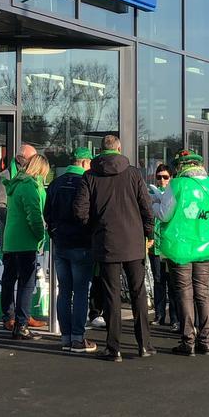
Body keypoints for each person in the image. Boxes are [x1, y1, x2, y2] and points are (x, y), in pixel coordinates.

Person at [73, 135, 155, 361]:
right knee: (138, 293)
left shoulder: (90, 175)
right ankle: (144, 345)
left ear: (100, 150)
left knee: (111, 295)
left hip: (106, 241)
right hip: (133, 241)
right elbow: (146, 207)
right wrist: (148, 233)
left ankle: (113, 347)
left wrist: (95, 229)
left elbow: (80, 210)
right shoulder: (133, 173)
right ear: (119, 149)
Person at [153, 150, 209, 356]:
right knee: (202, 292)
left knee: (184, 293)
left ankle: (188, 341)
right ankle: (205, 340)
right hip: (207, 246)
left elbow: (164, 215)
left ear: (181, 167)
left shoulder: (178, 185)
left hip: (180, 247)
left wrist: (153, 203)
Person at [44, 147, 97, 354]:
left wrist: (55, 233)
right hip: (81, 243)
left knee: (64, 290)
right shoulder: (85, 183)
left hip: (61, 243)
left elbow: (47, 213)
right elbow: (88, 212)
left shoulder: (56, 183)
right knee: (81, 291)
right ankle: (77, 337)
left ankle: (65, 336)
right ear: (84, 163)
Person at [0, 144, 46, 331]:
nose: (35, 162)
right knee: (10, 278)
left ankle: (24, 315)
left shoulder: (33, 179)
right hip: (14, 236)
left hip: (23, 236)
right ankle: (10, 316)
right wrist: (16, 218)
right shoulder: (4, 177)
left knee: (26, 280)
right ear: (22, 159)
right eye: (33, 159)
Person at [1, 153, 50, 340]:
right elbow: (34, 216)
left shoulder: (16, 184)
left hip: (11, 240)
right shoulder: (30, 186)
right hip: (25, 240)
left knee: (10, 279)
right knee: (27, 283)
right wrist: (40, 236)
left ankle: (11, 318)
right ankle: (21, 324)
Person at [148, 164, 178, 330]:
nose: (162, 180)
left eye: (165, 177)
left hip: (170, 246)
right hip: (155, 245)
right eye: (159, 177)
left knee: (173, 283)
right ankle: (159, 315)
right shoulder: (150, 193)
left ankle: (175, 318)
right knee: (158, 281)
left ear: (171, 178)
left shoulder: (173, 194)